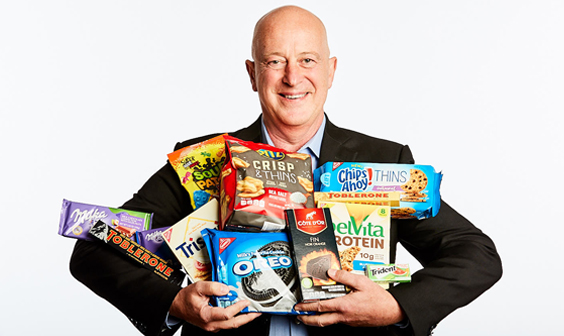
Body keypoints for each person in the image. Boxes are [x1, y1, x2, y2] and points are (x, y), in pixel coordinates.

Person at [70, 5, 502, 336]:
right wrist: (176, 303)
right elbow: (96, 245)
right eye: (276, 61)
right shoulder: (204, 160)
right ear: (253, 74)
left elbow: (476, 255)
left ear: (331, 72)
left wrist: (394, 308)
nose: (293, 78)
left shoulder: (384, 161)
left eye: (308, 61)